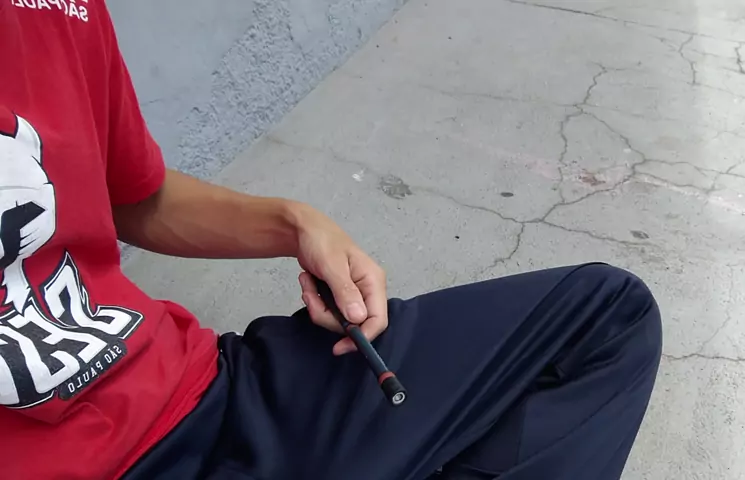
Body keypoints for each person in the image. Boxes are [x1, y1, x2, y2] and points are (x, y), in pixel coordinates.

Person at [0, 2, 662, 479]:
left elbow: (128, 194)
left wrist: (296, 224)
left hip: (205, 390)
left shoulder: (60, 10)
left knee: (604, 316)